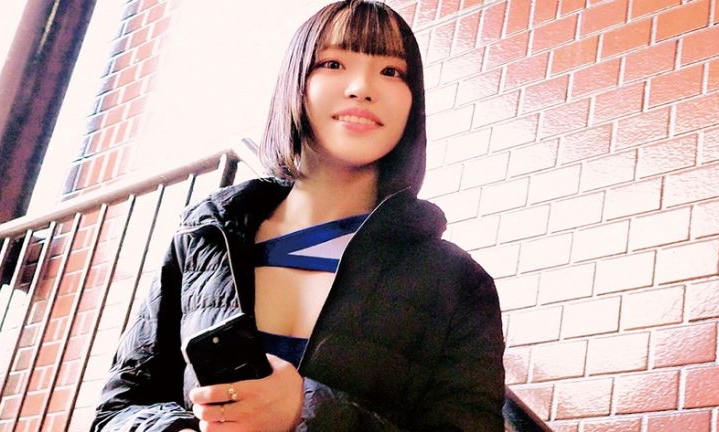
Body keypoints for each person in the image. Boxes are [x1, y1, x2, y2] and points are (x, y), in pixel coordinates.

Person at [91, 1, 505, 430]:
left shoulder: (457, 281)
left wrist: (304, 411)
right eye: (333, 63)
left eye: (391, 71)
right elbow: (117, 410)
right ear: (296, 81)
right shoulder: (204, 242)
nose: (362, 87)